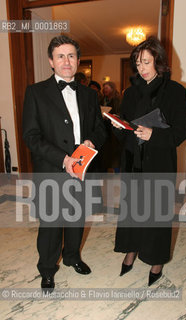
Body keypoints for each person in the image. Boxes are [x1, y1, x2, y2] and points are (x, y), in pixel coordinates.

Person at [22, 35, 107, 292]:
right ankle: (47, 270)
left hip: (82, 170)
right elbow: (31, 136)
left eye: (71, 56)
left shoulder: (91, 95)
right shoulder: (35, 92)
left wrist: (93, 140)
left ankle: (72, 257)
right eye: (60, 56)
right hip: (52, 169)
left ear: (78, 61)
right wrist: (63, 159)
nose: (66, 61)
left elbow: (100, 128)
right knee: (50, 224)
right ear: (51, 61)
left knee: (76, 218)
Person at [111, 36, 186, 286]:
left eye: (146, 61)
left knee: (157, 213)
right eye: (138, 61)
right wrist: (118, 125)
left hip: (159, 162)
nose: (141, 67)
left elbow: (182, 130)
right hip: (133, 161)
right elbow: (124, 127)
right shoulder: (131, 91)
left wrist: (153, 134)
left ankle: (156, 260)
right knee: (132, 210)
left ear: (158, 61)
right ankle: (131, 250)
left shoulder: (175, 90)